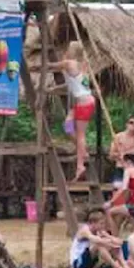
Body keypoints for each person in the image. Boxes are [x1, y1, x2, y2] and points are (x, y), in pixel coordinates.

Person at [58, 42, 97, 180]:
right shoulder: (82, 66)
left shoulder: (71, 64)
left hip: (84, 103)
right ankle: (83, 151)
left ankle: (80, 165)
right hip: (84, 102)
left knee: (80, 135)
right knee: (67, 127)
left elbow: (54, 66)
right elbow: (72, 84)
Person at [108, 154, 134, 233]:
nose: (122, 165)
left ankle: (114, 238)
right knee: (131, 222)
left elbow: (123, 189)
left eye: (123, 162)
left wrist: (111, 202)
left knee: (110, 212)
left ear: (128, 162)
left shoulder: (128, 170)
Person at [109, 117, 134, 186]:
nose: (133, 124)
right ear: (126, 124)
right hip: (120, 167)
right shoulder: (118, 137)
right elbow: (111, 155)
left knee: (132, 190)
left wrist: (127, 153)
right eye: (131, 122)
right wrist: (120, 155)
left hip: (132, 168)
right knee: (117, 189)